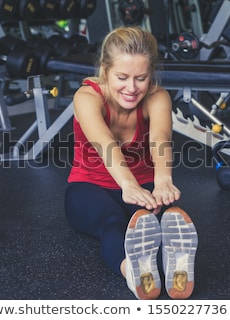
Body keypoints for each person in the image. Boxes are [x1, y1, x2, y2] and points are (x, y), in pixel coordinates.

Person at [64, 26, 198, 300]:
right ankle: (134, 273)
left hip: (143, 184)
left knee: (163, 221)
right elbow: (104, 143)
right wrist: (128, 184)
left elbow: (160, 138)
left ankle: (178, 270)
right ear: (105, 70)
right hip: (89, 186)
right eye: (122, 77)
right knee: (112, 222)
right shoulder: (86, 97)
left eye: (141, 78)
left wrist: (162, 182)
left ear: (151, 74)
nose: (132, 88)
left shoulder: (157, 97)